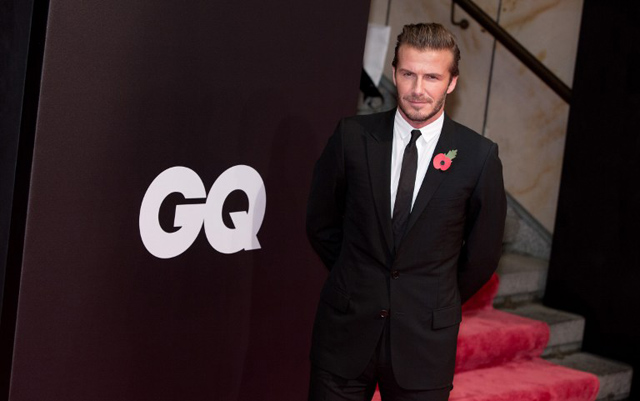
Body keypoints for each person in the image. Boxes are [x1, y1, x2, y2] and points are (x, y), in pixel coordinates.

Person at [306, 23, 507, 401]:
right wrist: (357, 278)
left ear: (452, 82)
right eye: (408, 74)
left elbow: (482, 255)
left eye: (432, 77)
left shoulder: (478, 157)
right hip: (345, 334)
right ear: (394, 73)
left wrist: (432, 296)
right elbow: (321, 222)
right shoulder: (352, 137)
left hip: (424, 344)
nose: (417, 89)